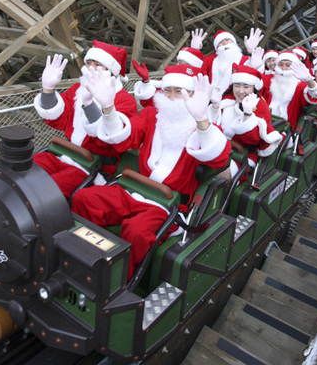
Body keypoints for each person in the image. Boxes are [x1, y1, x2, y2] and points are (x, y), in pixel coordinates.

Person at [71, 65, 231, 279]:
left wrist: (201, 118)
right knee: (84, 198)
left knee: (136, 231)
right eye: (169, 90)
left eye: (181, 92)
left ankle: (117, 282)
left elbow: (219, 157)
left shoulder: (203, 127)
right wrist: (108, 108)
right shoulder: (150, 114)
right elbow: (123, 137)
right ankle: (80, 259)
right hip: (135, 188)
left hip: (166, 203)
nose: (173, 97)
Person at [33, 42, 138, 198]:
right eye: (88, 63)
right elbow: (58, 118)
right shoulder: (78, 89)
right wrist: (48, 90)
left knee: (47, 190)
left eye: (97, 64)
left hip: (92, 166)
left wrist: (91, 106)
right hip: (63, 153)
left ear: (111, 71)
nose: (91, 68)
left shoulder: (124, 100)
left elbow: (111, 141)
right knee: (24, 171)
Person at [208, 64, 282, 179]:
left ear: (254, 88)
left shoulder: (259, 106)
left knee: (214, 173)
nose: (241, 91)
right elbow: (211, 127)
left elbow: (253, 141)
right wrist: (215, 107)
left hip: (241, 155)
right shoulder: (227, 100)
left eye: (246, 87)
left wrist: (247, 115)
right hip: (217, 147)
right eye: (237, 86)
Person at [261, 50, 317, 129]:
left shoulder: (300, 85)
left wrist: (309, 80)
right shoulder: (269, 79)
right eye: (280, 65)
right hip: (263, 120)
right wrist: (253, 66)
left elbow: (315, 95)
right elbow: (253, 85)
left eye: (288, 65)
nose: (284, 68)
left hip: (286, 126)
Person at [191, 28, 264, 93]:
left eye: (227, 40)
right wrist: (194, 50)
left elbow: (255, 81)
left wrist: (251, 52)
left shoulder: (245, 60)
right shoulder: (210, 60)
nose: (225, 43)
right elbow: (195, 70)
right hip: (210, 99)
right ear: (216, 48)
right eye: (220, 42)